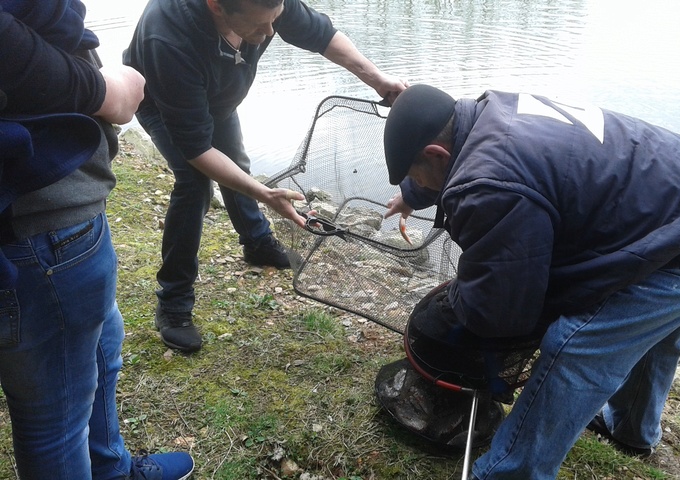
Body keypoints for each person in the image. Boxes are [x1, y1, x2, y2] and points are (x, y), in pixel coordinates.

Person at [382, 84, 680, 479]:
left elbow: (505, 311)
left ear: (437, 154)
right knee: (655, 337)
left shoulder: (489, 184)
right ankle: (632, 430)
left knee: (578, 349)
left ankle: (510, 472)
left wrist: (465, 314)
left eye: (414, 176)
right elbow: (462, 161)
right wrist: (412, 194)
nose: (419, 184)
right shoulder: (487, 110)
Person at [123, 0, 408, 353]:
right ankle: (173, 301)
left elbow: (321, 35)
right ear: (216, 6)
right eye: (260, 26)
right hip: (164, 103)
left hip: (218, 96)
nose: (271, 32)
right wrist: (265, 194)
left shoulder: (262, 4)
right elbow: (197, 149)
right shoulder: (168, 38)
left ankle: (256, 242)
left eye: (275, 19)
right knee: (194, 183)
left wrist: (378, 80)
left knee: (237, 162)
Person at [0, 1, 195, 478]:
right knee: (53, 420)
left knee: (103, 341)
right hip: (39, 228)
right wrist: (104, 90)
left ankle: (111, 468)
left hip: (69, 215)